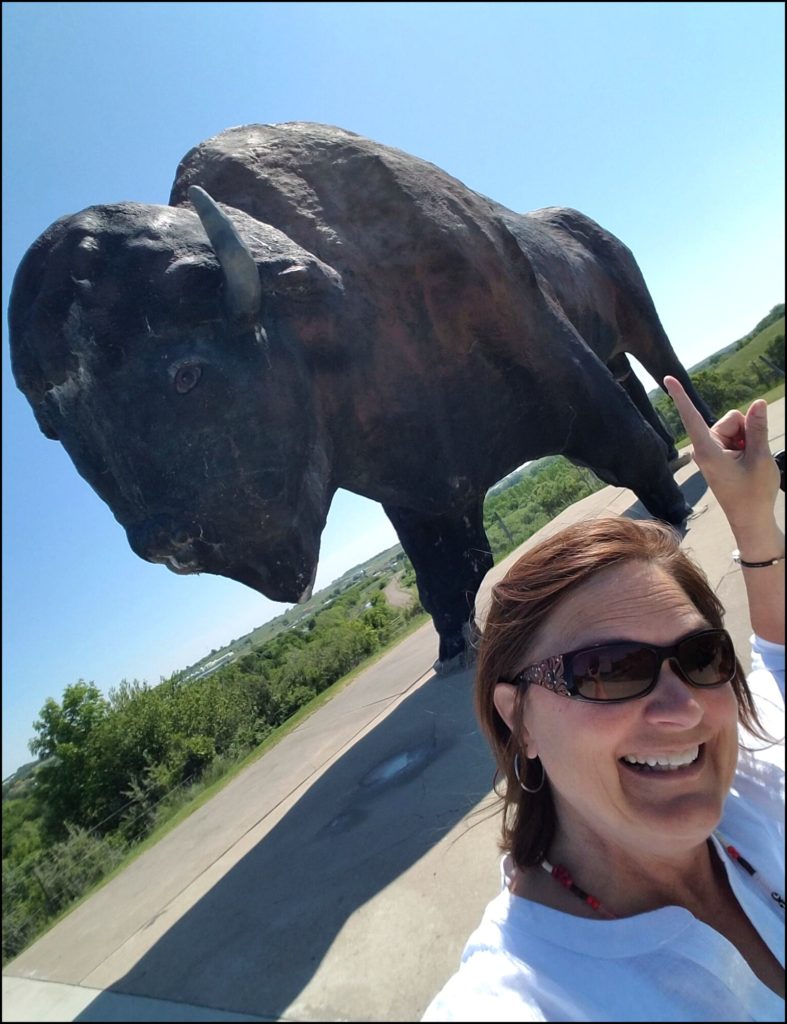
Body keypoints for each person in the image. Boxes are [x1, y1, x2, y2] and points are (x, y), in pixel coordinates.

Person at [422, 376, 784, 1021]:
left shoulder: (753, 790)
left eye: (702, 658)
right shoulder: (525, 996)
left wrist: (753, 519)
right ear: (518, 720)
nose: (683, 710)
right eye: (608, 671)